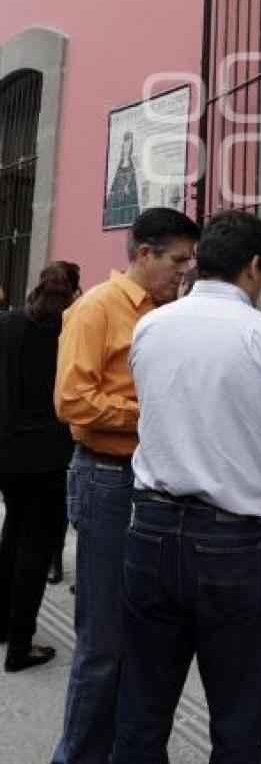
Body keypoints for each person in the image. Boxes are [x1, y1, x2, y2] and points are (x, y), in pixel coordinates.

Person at [110, 209, 261, 763]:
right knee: (239, 717)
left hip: (150, 529)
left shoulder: (152, 325)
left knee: (141, 705)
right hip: (231, 543)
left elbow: (161, 407)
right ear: (256, 266)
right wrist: (251, 434)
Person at [52, 208, 199, 764]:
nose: (186, 270)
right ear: (144, 255)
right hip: (107, 482)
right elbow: (72, 402)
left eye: (191, 260)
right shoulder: (95, 309)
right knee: (103, 644)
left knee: (146, 636)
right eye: (178, 259)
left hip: (151, 483)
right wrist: (151, 414)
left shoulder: (169, 311)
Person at [0, 261, 81, 672]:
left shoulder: (9, 324)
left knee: (12, 533)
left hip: (8, 451)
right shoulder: (67, 334)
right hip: (48, 455)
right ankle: (20, 645)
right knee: (35, 546)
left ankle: (3, 624)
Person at [104, 132, 140, 228]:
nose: (127, 147)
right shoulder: (119, 162)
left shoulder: (133, 161)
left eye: (129, 144)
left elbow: (137, 176)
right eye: (125, 144)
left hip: (129, 196)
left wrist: (128, 186)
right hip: (118, 194)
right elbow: (116, 178)